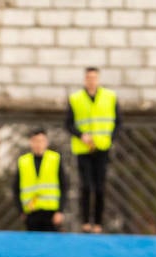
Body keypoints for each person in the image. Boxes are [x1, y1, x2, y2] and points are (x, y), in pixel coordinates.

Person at [66, 67, 119, 233]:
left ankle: (97, 223)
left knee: (100, 186)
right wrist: (81, 135)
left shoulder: (110, 97)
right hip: (83, 148)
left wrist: (110, 139)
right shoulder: (76, 98)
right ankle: (85, 222)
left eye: (94, 78)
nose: (91, 81)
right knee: (86, 185)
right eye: (88, 78)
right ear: (85, 79)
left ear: (98, 79)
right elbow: (68, 123)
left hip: (102, 147)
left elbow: (118, 122)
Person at [13, 128, 66, 233]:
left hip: (51, 212)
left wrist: (60, 210)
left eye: (41, 141)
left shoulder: (55, 159)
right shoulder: (23, 161)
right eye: (35, 141)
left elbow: (64, 186)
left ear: (46, 142)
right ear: (31, 142)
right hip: (31, 212)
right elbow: (16, 188)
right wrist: (21, 211)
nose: (38, 144)